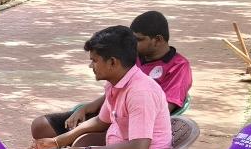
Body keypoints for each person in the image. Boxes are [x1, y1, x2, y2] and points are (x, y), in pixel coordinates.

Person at [25, 26, 172, 149]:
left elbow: (139, 147)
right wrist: (59, 141)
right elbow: (101, 121)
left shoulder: (140, 92)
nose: (90, 65)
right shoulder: (116, 83)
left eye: (95, 60)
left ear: (113, 62)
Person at [30, 10, 192, 141]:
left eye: (138, 40)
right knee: (41, 126)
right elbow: (115, 90)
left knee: (77, 143)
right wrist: (87, 107)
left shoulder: (179, 67)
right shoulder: (133, 56)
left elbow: (164, 108)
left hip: (135, 123)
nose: (132, 44)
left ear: (158, 40)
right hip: (109, 114)